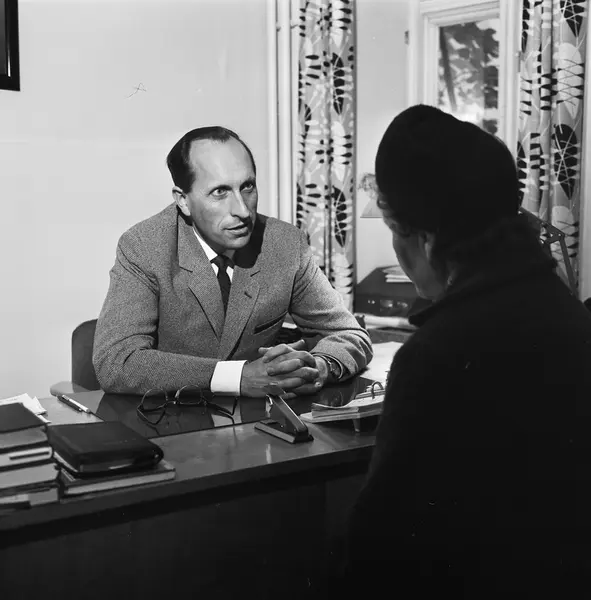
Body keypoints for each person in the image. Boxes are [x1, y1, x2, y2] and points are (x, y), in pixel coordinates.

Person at [338, 105, 591, 598]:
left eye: (393, 229)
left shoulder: (434, 355)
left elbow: (381, 546)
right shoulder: (571, 314)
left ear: (427, 239)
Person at [93, 126, 372, 397]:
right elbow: (116, 361)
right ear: (183, 201)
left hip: (261, 420)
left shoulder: (286, 244)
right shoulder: (144, 247)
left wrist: (318, 367)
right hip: (171, 417)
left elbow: (350, 334)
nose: (242, 210)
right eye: (220, 192)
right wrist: (238, 377)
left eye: (247, 187)